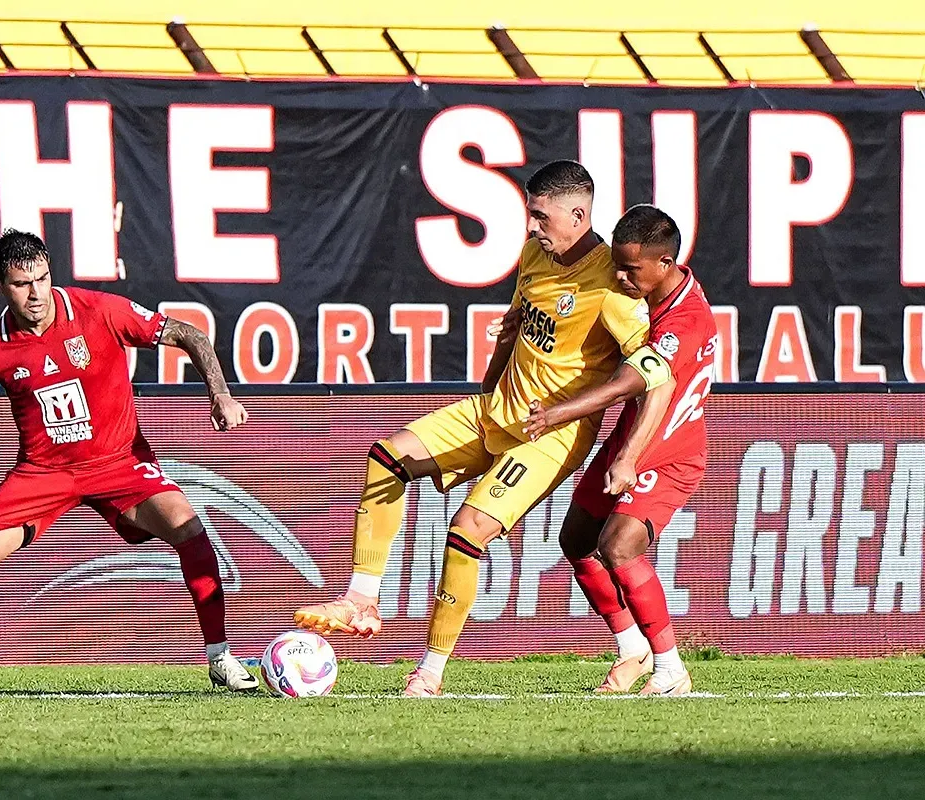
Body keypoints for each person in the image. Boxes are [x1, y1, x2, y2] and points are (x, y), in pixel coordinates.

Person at [294, 161, 651, 696]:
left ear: (578, 215)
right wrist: (487, 392)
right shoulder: (537, 254)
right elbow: (515, 328)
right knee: (387, 456)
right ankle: (361, 599)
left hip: (550, 435)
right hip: (496, 408)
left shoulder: (612, 285)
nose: (531, 228)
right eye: (529, 216)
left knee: (465, 533)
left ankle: (429, 673)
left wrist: (616, 445)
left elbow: (645, 372)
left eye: (540, 217)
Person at [0, 229, 258, 697]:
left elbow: (189, 334)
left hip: (118, 463)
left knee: (189, 531)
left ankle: (220, 658)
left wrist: (219, 393)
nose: (35, 294)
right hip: (43, 474)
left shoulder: (99, 311)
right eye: (20, 284)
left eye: (42, 278)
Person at [525, 204, 716, 696]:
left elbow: (639, 379)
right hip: (630, 441)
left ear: (664, 264)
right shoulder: (653, 299)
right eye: (617, 264)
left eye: (631, 268)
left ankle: (671, 669)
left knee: (619, 546)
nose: (620, 276)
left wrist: (561, 413)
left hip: (670, 455)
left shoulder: (685, 323)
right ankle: (631, 647)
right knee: (576, 539)